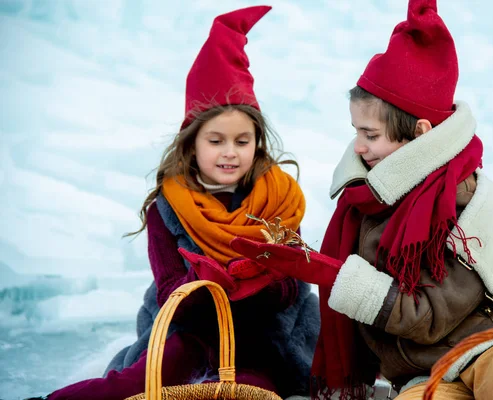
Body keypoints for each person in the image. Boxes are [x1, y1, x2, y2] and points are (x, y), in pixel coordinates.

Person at [231, 1, 493, 399]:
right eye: (356, 131)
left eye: (371, 135)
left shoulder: (465, 201)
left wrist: (334, 275)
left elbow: (426, 316)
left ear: (422, 132)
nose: (358, 147)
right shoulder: (365, 204)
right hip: (430, 373)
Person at [41, 6, 319, 400]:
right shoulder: (168, 208)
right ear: (192, 143)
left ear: (257, 142)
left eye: (242, 141)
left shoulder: (280, 201)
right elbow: (171, 287)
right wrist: (210, 281)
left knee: (251, 391)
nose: (230, 153)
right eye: (215, 140)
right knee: (135, 383)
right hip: (190, 331)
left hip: (262, 338)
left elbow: (293, 286)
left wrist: (255, 280)